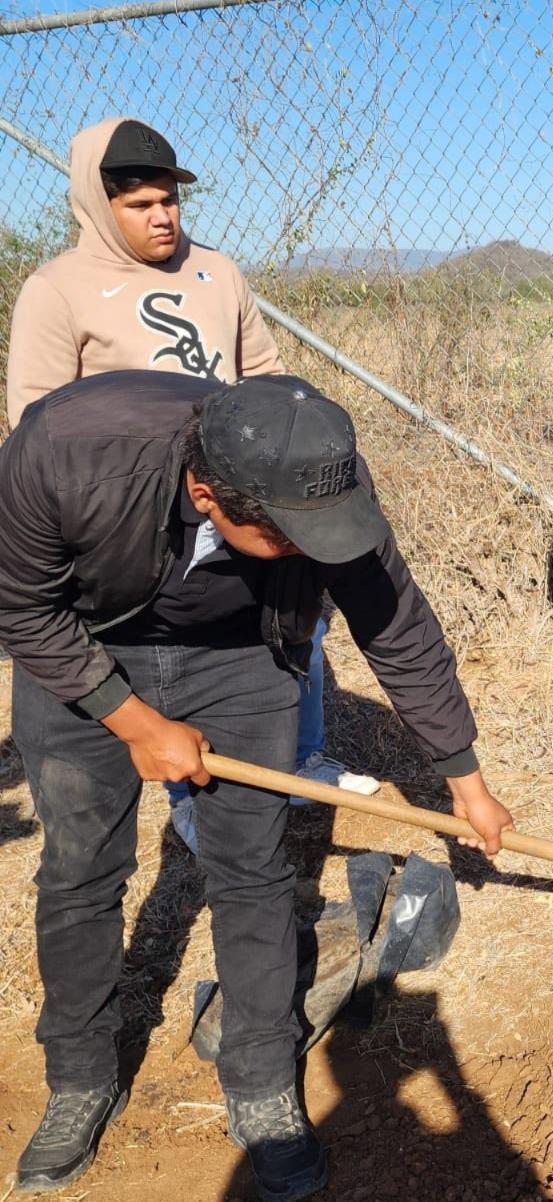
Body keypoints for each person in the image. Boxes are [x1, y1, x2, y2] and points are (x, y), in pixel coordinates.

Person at [0, 370, 514, 1200]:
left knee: (254, 870)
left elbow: (396, 626)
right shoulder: (68, 452)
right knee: (80, 872)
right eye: (289, 537)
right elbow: (21, 608)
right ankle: (79, 1078)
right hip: (83, 648)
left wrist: (465, 778)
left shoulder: (319, 473)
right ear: (206, 492)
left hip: (241, 655)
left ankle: (262, 1082)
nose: (317, 548)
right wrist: (134, 721)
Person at [4, 115, 369, 849]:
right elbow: (34, 424)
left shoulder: (217, 271)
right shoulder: (59, 290)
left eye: (170, 200)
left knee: (299, 626)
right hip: (140, 518)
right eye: (141, 204)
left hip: (240, 496)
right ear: (96, 205)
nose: (163, 216)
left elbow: (264, 375)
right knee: (171, 652)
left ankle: (300, 759)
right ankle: (198, 802)